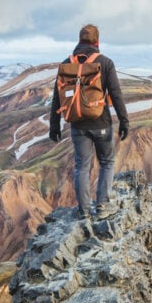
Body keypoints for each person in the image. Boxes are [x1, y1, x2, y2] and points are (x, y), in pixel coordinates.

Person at [49, 24, 129, 219]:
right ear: (97, 41)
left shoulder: (67, 63)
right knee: (107, 162)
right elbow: (116, 95)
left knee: (81, 166)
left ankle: (84, 211)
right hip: (101, 123)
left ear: (79, 40)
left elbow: (57, 97)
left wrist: (54, 125)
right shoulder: (105, 63)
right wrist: (124, 121)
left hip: (77, 125)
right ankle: (102, 206)